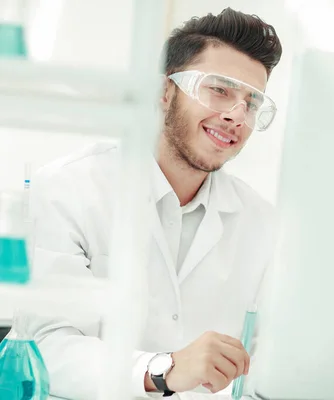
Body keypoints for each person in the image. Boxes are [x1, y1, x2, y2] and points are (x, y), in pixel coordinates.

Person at [26, 7, 282, 399]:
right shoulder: (70, 188)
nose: (236, 116)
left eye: (251, 102)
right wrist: (163, 369)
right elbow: (44, 350)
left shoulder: (263, 222)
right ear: (164, 91)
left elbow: (272, 362)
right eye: (219, 89)